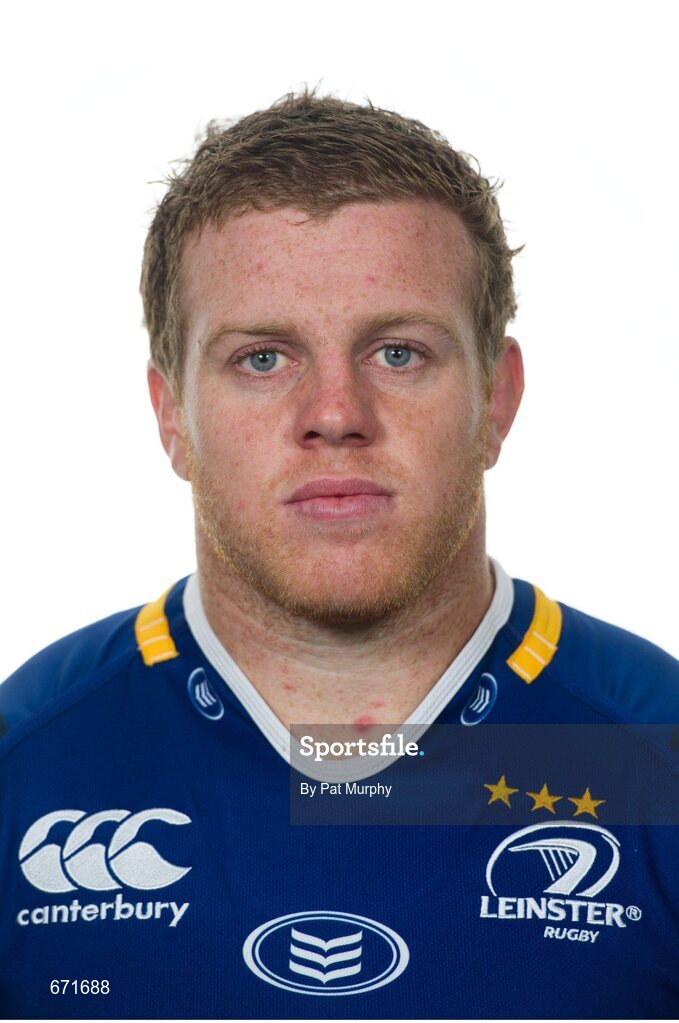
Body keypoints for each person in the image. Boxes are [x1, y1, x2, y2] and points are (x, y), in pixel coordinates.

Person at [1, 90, 677, 1020]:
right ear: (171, 417)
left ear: (496, 400)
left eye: (397, 353)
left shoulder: (660, 760)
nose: (335, 413)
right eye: (262, 358)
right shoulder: (25, 765)